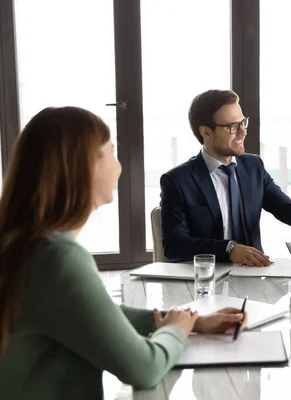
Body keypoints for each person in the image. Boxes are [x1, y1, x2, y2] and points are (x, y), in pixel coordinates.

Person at [0, 107, 248, 399]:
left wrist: (190, 321)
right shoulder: (58, 257)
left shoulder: (28, 244)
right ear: (83, 165)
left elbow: (93, 313)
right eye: (112, 151)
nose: (119, 166)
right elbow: (144, 367)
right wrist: (177, 332)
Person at [159, 89, 291, 266]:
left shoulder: (253, 166)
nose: (243, 132)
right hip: (206, 279)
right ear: (206, 132)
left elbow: (285, 208)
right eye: (233, 127)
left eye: (243, 122)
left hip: (254, 273)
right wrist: (228, 249)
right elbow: (174, 244)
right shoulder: (177, 181)